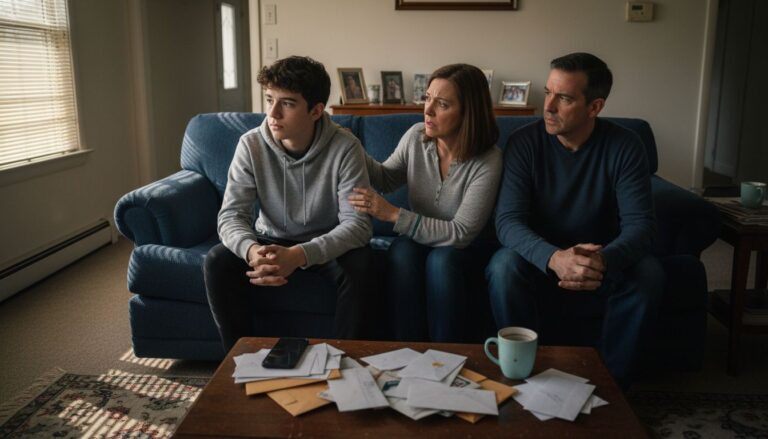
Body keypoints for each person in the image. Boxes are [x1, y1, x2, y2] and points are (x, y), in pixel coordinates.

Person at [485, 52, 663, 389]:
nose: (548, 106)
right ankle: (524, 377)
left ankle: (612, 385)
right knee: (502, 266)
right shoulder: (524, 142)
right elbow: (507, 221)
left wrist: (599, 261)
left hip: (602, 262)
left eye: (563, 98)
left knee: (649, 273)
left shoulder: (625, 145)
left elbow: (641, 227)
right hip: (539, 260)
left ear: (594, 107)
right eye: (548, 92)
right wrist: (554, 258)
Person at [204, 56, 374, 352]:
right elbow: (231, 215)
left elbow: (358, 226)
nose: (272, 113)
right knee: (217, 261)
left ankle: (345, 363)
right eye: (269, 99)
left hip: (326, 240)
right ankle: (239, 361)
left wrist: (299, 255)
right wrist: (252, 250)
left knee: (363, 265)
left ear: (316, 111)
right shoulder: (251, 144)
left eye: (288, 103)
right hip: (269, 238)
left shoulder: (346, 147)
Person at [349, 64, 502, 343]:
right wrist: (349, 143)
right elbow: (385, 179)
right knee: (402, 252)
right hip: (419, 239)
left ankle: (447, 353)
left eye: (442, 104)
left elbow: (461, 233)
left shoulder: (488, 160)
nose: (428, 110)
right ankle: (408, 350)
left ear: (469, 112)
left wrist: (393, 214)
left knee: (442, 261)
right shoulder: (417, 136)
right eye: (428, 98)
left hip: (467, 248)